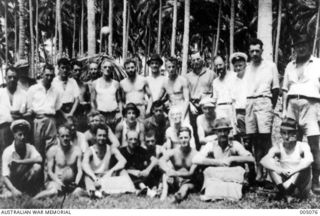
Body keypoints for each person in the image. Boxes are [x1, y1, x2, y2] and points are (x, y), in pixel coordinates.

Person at [282, 33, 320, 194]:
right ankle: (290, 181)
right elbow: (285, 90)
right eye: (298, 45)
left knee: (314, 146)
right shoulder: (290, 65)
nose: (301, 47)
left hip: (310, 106)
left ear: (310, 45)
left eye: (304, 44)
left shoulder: (317, 63)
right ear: (294, 48)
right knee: (290, 145)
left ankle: (316, 182)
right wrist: (284, 110)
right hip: (291, 105)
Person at [192, 118, 254, 201]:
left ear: (228, 132)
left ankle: (224, 194)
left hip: (231, 173)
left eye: (225, 131)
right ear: (216, 133)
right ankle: (219, 193)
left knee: (238, 171)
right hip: (217, 173)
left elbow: (251, 158)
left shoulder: (235, 144)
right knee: (209, 171)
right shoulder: (210, 144)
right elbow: (195, 159)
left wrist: (233, 158)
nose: (223, 134)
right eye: (220, 131)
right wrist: (218, 162)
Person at [245, 38, 280, 184]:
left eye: (257, 51)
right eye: (252, 51)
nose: (254, 54)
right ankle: (259, 172)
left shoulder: (270, 66)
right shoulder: (246, 67)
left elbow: (276, 89)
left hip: (264, 101)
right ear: (249, 51)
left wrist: (269, 106)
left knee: (265, 140)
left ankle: (270, 173)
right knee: (255, 140)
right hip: (250, 102)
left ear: (262, 51)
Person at [260, 118, 313, 202]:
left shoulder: (302, 146)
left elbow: (309, 160)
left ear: (296, 133)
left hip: (299, 184)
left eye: (290, 133)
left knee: (303, 166)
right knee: (271, 164)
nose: (286, 137)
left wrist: (293, 170)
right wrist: (279, 169)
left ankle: (283, 194)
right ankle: (286, 194)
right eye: (284, 133)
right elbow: (263, 160)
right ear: (280, 133)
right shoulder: (278, 147)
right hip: (285, 181)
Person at [82, 124, 135, 198]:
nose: (102, 138)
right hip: (94, 178)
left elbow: (123, 161)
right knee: (87, 177)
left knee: (123, 171)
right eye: (99, 135)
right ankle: (96, 192)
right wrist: (94, 178)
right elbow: (84, 165)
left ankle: (103, 192)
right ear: (95, 136)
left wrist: (111, 171)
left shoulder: (110, 148)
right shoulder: (90, 150)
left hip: (107, 177)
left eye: (104, 135)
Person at [33, 125, 83, 199]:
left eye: (67, 136)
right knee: (54, 191)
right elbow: (49, 171)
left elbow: (80, 171)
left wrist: (76, 183)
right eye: (62, 136)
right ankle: (34, 199)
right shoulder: (53, 150)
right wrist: (58, 181)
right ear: (58, 137)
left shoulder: (77, 150)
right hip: (56, 182)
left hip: (70, 184)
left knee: (78, 191)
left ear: (70, 137)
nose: (65, 138)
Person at [25, 64, 62, 159]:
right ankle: (39, 172)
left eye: (51, 75)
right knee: (38, 148)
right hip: (38, 120)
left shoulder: (56, 91)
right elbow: (29, 107)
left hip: (51, 120)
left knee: (52, 148)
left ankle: (49, 172)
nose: (49, 77)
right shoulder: (33, 89)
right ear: (42, 74)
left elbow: (57, 108)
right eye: (47, 75)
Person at [1, 120, 42, 197]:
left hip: (24, 179)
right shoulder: (8, 151)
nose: (23, 137)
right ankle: (12, 191)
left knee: (37, 166)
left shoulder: (30, 147)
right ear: (14, 135)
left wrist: (20, 162)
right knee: (9, 195)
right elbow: (4, 175)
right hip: (12, 181)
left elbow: (40, 159)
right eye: (20, 134)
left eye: (25, 134)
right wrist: (13, 189)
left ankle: (28, 190)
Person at [185, 52, 216, 149]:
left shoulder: (211, 74)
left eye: (198, 59)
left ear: (202, 59)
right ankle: (198, 153)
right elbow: (186, 94)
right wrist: (190, 104)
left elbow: (215, 90)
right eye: (193, 60)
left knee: (209, 129)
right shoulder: (187, 76)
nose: (196, 62)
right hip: (194, 107)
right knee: (195, 130)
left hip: (207, 106)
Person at [159, 127, 199, 203]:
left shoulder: (195, 154)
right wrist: (169, 170)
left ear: (190, 137)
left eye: (186, 137)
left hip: (189, 181)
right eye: (181, 138)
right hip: (176, 180)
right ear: (178, 139)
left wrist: (175, 173)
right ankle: (164, 193)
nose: (183, 140)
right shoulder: (174, 151)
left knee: (185, 187)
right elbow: (161, 161)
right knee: (166, 174)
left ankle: (179, 195)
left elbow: (191, 173)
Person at [119, 130, 160, 196]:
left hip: (140, 177)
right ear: (126, 140)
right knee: (126, 174)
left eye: (135, 139)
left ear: (138, 140)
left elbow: (155, 160)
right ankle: (145, 189)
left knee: (154, 170)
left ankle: (152, 188)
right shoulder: (121, 152)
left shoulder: (141, 150)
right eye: (130, 139)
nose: (133, 142)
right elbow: (118, 169)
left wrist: (147, 170)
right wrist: (131, 171)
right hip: (127, 178)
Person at [0, 67, 27, 155]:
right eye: (10, 77)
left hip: (18, 129)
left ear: (18, 78)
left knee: (18, 155)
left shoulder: (23, 94)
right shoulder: (1, 93)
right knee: (4, 155)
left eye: (15, 77)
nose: (12, 79)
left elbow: (27, 111)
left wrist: (21, 114)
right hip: (3, 128)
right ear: (5, 78)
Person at [91, 59, 122, 131]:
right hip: (101, 115)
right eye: (105, 67)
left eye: (109, 67)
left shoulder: (116, 83)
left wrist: (120, 113)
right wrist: (96, 114)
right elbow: (92, 101)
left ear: (112, 70)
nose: (107, 69)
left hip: (113, 115)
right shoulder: (95, 83)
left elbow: (119, 101)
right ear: (101, 69)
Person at [158, 57, 190, 122]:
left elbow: (187, 100)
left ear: (176, 67)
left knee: (184, 131)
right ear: (166, 68)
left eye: (173, 67)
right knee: (171, 130)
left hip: (183, 109)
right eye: (169, 67)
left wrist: (183, 115)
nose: (171, 69)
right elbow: (158, 100)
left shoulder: (182, 80)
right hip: (171, 109)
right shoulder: (165, 82)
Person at [212, 55, 237, 135]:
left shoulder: (233, 76)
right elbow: (215, 99)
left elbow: (236, 98)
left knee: (233, 134)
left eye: (220, 64)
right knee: (222, 134)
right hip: (219, 110)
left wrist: (235, 114)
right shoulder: (215, 82)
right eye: (216, 66)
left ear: (225, 63)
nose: (219, 67)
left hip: (231, 108)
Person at [52, 58, 80, 126]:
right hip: (59, 112)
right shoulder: (53, 82)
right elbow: (53, 100)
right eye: (62, 68)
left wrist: (71, 113)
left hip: (72, 110)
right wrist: (64, 114)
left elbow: (77, 99)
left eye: (67, 68)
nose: (65, 70)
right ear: (58, 68)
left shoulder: (73, 81)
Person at [229, 52, 248, 144]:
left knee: (253, 135)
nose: (238, 68)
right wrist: (234, 118)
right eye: (236, 66)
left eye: (240, 65)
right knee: (243, 136)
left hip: (250, 111)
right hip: (239, 113)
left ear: (245, 64)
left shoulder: (250, 78)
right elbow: (232, 101)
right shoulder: (232, 81)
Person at [71, 61, 91, 132]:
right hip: (71, 115)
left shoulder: (84, 85)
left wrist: (86, 103)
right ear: (71, 71)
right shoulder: (68, 85)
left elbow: (89, 100)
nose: (77, 72)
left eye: (79, 70)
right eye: (75, 70)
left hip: (82, 115)